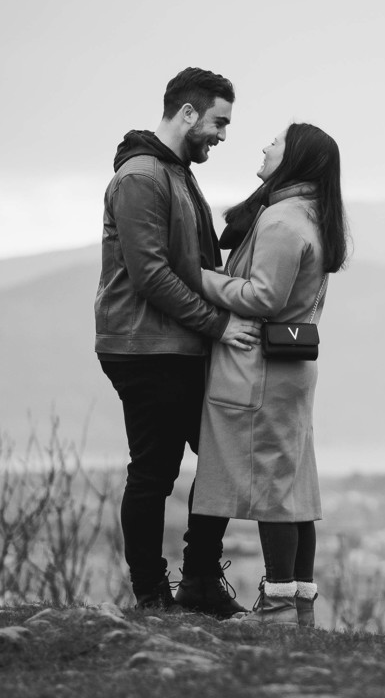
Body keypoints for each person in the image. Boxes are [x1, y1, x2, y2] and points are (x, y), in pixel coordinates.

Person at [94, 67, 260, 616]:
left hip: (175, 344)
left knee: (219, 458)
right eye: (219, 121)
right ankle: (151, 594)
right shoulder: (143, 177)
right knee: (154, 472)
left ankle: (199, 584)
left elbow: (195, 260)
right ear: (187, 113)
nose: (222, 134)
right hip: (144, 347)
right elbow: (151, 276)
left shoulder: (176, 173)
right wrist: (218, 325)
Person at [192, 122, 348, 626]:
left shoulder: (282, 221)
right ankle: (299, 606)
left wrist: (204, 279)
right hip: (291, 368)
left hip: (260, 371)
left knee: (274, 493)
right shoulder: (314, 216)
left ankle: (278, 609)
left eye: (275, 142)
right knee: (295, 491)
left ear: (295, 158)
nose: (264, 146)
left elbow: (263, 297)